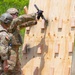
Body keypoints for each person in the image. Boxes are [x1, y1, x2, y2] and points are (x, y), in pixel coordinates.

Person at [6, 8, 38, 75]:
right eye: (15, 14)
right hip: (10, 49)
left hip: (15, 49)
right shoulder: (9, 23)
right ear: (10, 15)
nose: (16, 16)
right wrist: (34, 15)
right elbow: (20, 19)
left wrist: (35, 21)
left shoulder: (15, 25)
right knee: (10, 67)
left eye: (17, 14)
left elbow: (24, 24)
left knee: (17, 69)